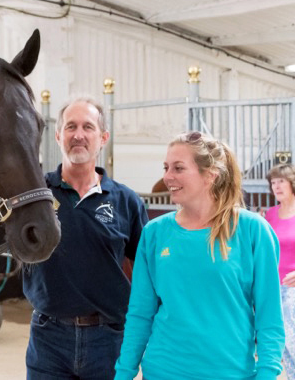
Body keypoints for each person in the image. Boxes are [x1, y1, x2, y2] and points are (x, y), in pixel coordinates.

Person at [115, 131, 285, 379]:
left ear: (210, 175)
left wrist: (267, 373)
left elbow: (270, 318)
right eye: (166, 167)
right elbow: (140, 313)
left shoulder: (253, 231)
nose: (167, 177)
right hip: (163, 371)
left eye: (178, 168)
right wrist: (124, 373)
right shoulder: (154, 234)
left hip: (231, 373)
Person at [23, 97, 148, 379]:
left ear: (103, 138)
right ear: (58, 136)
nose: (78, 135)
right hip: (48, 338)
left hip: (108, 340)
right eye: (70, 127)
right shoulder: (35, 193)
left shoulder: (126, 201)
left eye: (88, 127)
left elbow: (146, 269)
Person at [266, 163, 295, 379]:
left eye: (281, 181)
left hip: (293, 289)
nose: (276, 186)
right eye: (273, 182)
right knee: (283, 347)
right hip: (275, 288)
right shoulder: (270, 214)